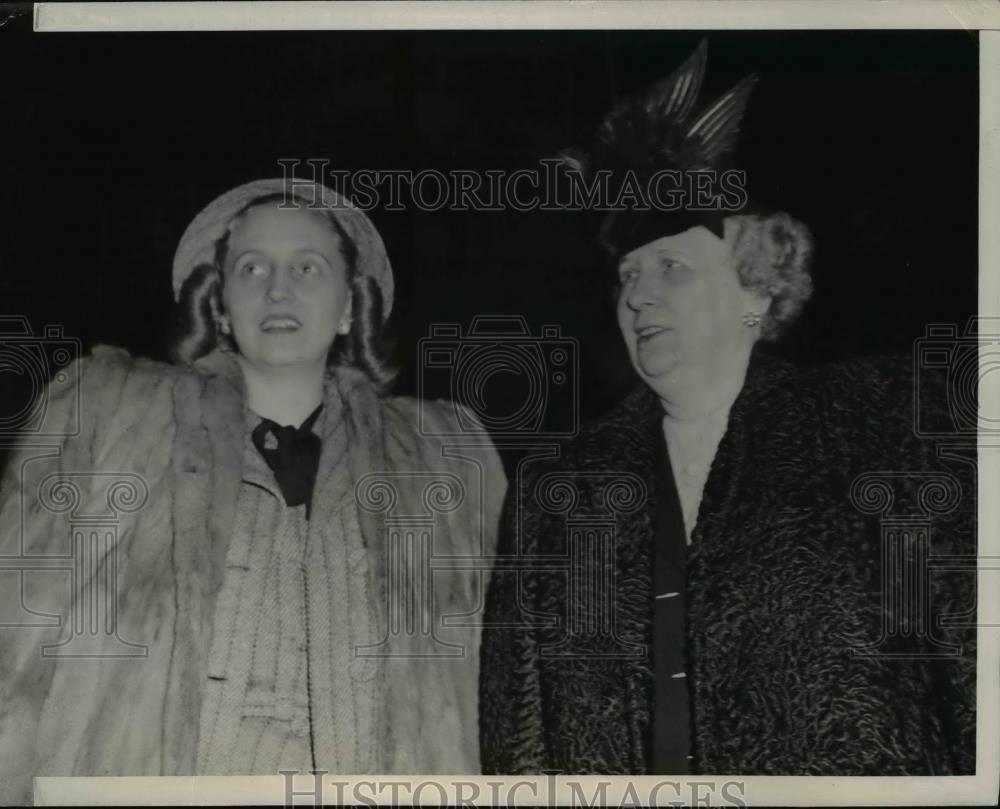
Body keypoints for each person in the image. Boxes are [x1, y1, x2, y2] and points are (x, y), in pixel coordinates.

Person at [479, 41, 976, 776]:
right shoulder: (561, 488)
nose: (638, 295)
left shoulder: (881, 426)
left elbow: (972, 660)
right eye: (627, 276)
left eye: (671, 268)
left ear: (758, 287)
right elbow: (517, 727)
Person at [0, 177, 504, 802]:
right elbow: (14, 646)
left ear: (351, 305)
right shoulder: (111, 416)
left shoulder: (439, 458)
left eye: (307, 266)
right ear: (219, 304)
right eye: (252, 266)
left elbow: (496, 685)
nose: (278, 288)